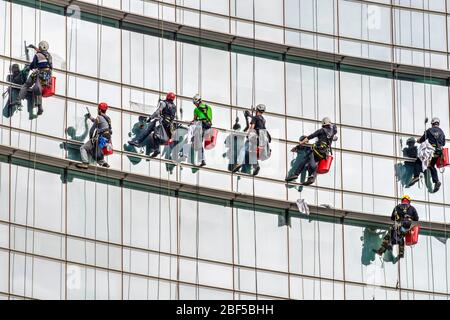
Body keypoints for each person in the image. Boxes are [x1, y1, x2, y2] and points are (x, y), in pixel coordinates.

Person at [285, 117, 337, 185]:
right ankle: (310, 178)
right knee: (311, 161)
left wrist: (301, 142)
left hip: (318, 150)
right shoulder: (332, 131)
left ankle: (296, 174)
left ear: (323, 124)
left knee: (307, 157)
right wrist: (333, 126)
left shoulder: (321, 130)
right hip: (324, 154)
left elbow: (310, 136)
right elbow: (335, 129)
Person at [128, 92, 177, 158]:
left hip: (160, 121)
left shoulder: (163, 103)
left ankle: (137, 141)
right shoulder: (174, 106)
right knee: (156, 135)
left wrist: (150, 118)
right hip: (168, 125)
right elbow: (173, 117)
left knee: (148, 129)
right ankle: (156, 149)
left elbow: (157, 112)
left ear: (167, 96)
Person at [13, 41, 53, 116]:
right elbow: (42, 53)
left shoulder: (37, 55)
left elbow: (33, 65)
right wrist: (34, 47)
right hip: (47, 76)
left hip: (39, 73)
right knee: (38, 89)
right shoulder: (49, 56)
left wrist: (29, 66)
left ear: (40, 47)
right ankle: (39, 106)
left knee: (26, 85)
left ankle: (18, 100)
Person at [231, 104, 270, 176]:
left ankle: (239, 163)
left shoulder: (255, 118)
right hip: (260, 139)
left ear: (257, 110)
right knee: (252, 153)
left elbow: (252, 127)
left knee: (243, 149)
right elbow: (257, 120)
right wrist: (249, 115)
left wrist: (248, 134)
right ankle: (256, 167)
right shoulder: (263, 119)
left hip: (254, 137)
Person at [76, 102, 112, 169]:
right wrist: (90, 117)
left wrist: (91, 139)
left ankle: (85, 163)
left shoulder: (99, 117)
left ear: (100, 110)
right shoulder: (108, 119)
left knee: (83, 148)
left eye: (98, 109)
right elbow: (98, 122)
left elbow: (92, 130)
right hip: (106, 139)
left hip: (100, 137)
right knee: (95, 150)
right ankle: (103, 162)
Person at [418, 117, 446, 193]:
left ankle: (418, 175)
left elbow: (422, 139)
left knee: (424, 162)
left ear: (432, 124)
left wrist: (418, 140)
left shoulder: (429, 130)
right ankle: (436, 181)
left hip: (431, 150)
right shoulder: (442, 132)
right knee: (431, 165)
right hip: (438, 151)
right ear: (438, 123)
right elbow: (443, 143)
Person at [191, 94, 212, 166]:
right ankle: (202, 159)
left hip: (201, 126)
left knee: (198, 143)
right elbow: (210, 118)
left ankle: (202, 159)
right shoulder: (209, 107)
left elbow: (194, 120)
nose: (195, 105)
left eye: (195, 103)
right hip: (208, 127)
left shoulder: (196, 110)